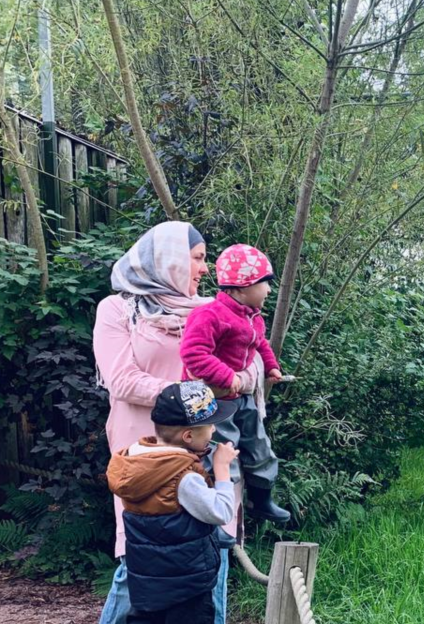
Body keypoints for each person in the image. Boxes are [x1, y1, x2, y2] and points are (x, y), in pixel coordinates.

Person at [94, 221, 255, 624]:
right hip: (147, 453)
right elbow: (122, 379)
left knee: (213, 547)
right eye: (198, 258)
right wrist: (196, 394)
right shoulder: (119, 310)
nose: (205, 269)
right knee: (143, 556)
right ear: (167, 259)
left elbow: (248, 359)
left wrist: (241, 379)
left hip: (205, 442)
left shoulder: (213, 311)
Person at [106, 381, 239, 624]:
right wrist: (221, 468)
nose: (213, 431)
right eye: (209, 426)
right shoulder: (183, 477)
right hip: (187, 590)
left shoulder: (137, 459)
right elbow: (221, 512)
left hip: (147, 587)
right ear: (188, 436)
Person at [180, 244, 290, 523]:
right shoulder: (209, 315)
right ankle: (213, 516)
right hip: (205, 396)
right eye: (264, 283)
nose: (268, 290)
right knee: (218, 453)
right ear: (243, 286)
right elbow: (193, 355)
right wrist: (229, 378)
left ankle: (262, 499)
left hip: (237, 393)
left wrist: (272, 366)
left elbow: (260, 343)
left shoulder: (251, 317)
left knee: (258, 442)